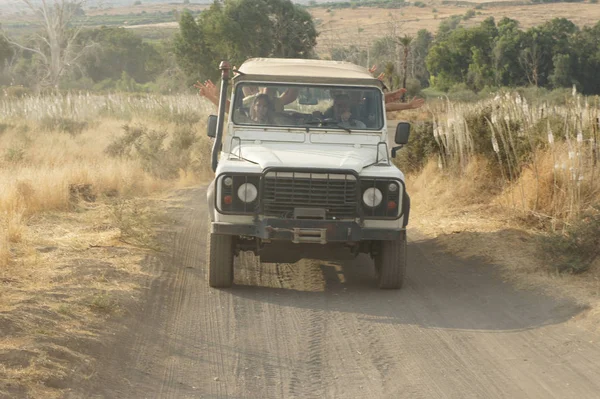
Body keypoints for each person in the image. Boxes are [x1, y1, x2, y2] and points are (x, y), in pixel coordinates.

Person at [194, 79, 298, 113]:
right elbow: (229, 108)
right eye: (259, 105)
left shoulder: (276, 104)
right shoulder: (246, 117)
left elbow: (291, 96)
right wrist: (211, 96)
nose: (261, 109)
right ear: (254, 106)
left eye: (265, 106)